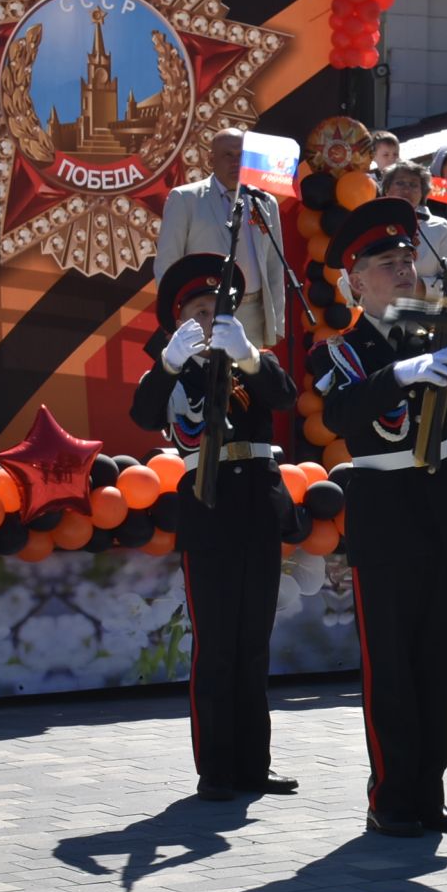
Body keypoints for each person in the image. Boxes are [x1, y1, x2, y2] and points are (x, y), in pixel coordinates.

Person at [307, 197, 447, 838]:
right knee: (390, 660)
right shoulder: (343, 350)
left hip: (440, 507)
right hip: (386, 513)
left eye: (406, 260)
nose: (402, 272)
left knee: (433, 658)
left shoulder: (436, 330)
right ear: (356, 282)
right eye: (385, 264)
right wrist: (401, 373)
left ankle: (429, 791)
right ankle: (391, 795)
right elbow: (341, 416)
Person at [131, 254, 299, 802]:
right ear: (178, 319)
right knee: (217, 645)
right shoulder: (171, 365)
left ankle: (255, 762)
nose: (211, 320)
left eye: (220, 309)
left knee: (254, 643)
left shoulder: (251, 359)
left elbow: (283, 397)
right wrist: (170, 364)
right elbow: (143, 411)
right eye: (200, 311)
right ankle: (216, 768)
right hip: (208, 507)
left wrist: (249, 356)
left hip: (256, 502)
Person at [154, 128, 288, 348]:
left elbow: (275, 265)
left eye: (241, 156)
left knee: (249, 381)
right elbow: (167, 264)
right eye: (228, 155)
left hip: (253, 315)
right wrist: (173, 321)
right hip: (204, 315)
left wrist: (277, 323)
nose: (236, 162)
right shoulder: (185, 199)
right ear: (211, 159)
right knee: (207, 380)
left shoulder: (265, 202)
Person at [381, 161, 447, 282]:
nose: (406, 189)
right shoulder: (373, 224)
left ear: (423, 193)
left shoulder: (441, 228)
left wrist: (421, 288)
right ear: (387, 190)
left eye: (414, 185)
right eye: (400, 183)